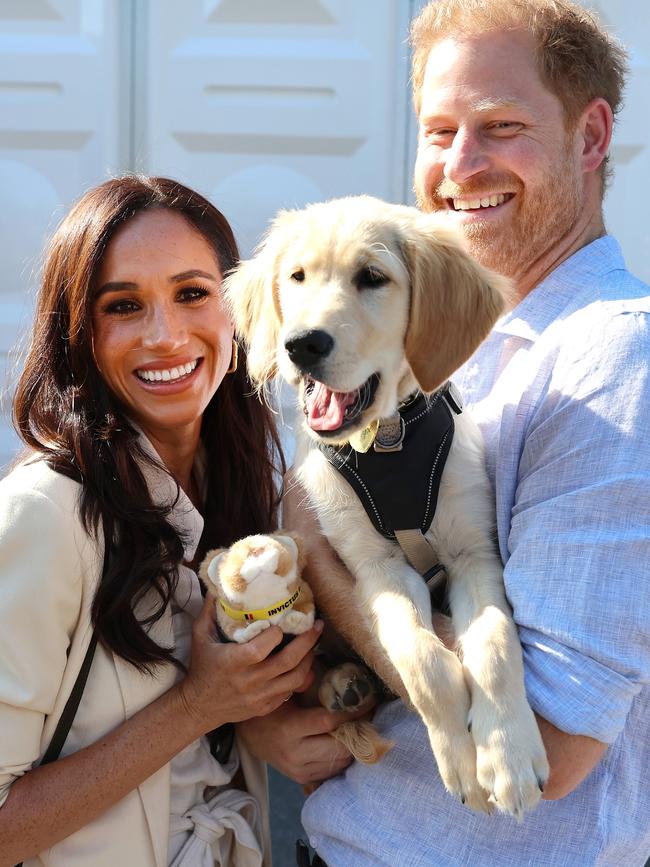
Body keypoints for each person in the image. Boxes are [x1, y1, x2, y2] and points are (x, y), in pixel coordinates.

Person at [239, 1, 650, 864]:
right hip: (353, 828)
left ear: (591, 134)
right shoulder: (440, 337)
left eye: (501, 127)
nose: (461, 166)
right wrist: (281, 723)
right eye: (438, 130)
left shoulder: (615, 358)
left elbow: (553, 737)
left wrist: (320, 551)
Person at [0, 176, 331, 867]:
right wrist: (199, 704)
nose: (165, 335)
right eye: (124, 306)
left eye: (191, 294)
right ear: (79, 336)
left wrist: (259, 717)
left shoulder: (251, 493)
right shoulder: (46, 516)